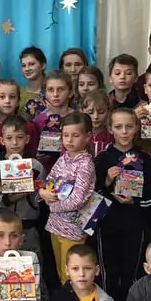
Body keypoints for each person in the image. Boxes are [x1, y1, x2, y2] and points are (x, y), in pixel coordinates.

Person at [95, 108, 151, 301]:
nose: (124, 131)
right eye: (118, 127)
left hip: (136, 226)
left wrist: (135, 202)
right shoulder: (102, 159)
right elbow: (92, 194)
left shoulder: (146, 160)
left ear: (137, 128)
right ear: (110, 129)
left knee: (133, 271)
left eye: (129, 126)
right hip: (107, 226)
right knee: (108, 272)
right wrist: (108, 181)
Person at [40, 112, 97, 285]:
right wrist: (43, 192)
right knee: (61, 272)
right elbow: (48, 182)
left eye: (75, 135)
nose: (69, 140)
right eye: (65, 135)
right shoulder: (62, 159)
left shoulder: (85, 164)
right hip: (55, 225)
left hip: (72, 230)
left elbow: (77, 200)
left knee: (72, 277)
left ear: (87, 136)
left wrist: (52, 206)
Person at [0, 116, 45, 258]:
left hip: (29, 226)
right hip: (3, 230)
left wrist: (34, 192)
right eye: (9, 138)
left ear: (27, 139)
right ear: (2, 140)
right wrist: (7, 199)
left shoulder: (36, 166)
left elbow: (43, 195)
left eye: (20, 137)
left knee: (32, 263)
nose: (15, 142)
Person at [32, 70, 74, 170]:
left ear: (70, 92)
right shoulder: (38, 121)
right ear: (45, 93)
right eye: (50, 90)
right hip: (47, 173)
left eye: (60, 89)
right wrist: (37, 156)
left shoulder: (78, 118)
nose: (55, 94)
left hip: (73, 172)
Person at [0, 80, 38, 158]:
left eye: (12, 97)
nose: (7, 101)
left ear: (18, 102)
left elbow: (33, 155)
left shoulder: (29, 127)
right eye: (2, 97)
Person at [81, 89, 114, 158]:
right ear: (82, 111)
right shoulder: (77, 134)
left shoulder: (112, 136)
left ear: (108, 111)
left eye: (101, 112)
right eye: (90, 113)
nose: (95, 117)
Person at [18, 46, 48, 118]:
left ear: (43, 65)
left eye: (31, 64)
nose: (27, 69)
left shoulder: (52, 92)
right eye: (23, 66)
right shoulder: (18, 93)